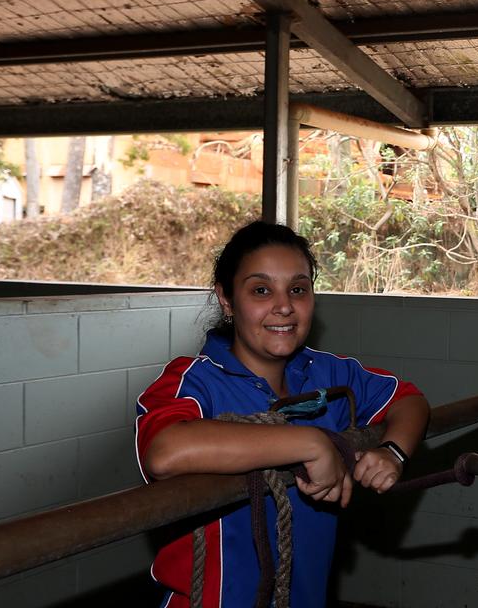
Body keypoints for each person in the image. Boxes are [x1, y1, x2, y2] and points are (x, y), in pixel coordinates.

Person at [135, 221, 429, 608]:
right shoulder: (194, 380)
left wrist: (394, 452)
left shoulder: (328, 374)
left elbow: (408, 400)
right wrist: (310, 442)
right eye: (261, 290)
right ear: (226, 299)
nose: (284, 306)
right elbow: (165, 452)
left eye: (298, 289)